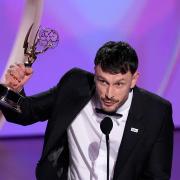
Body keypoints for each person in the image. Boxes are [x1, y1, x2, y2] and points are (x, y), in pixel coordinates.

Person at [0, 41, 174, 180]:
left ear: (134, 79)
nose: (109, 94)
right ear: (94, 73)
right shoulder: (75, 85)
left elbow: (156, 176)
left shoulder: (156, 112)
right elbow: (26, 112)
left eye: (119, 84)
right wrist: (13, 90)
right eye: (102, 81)